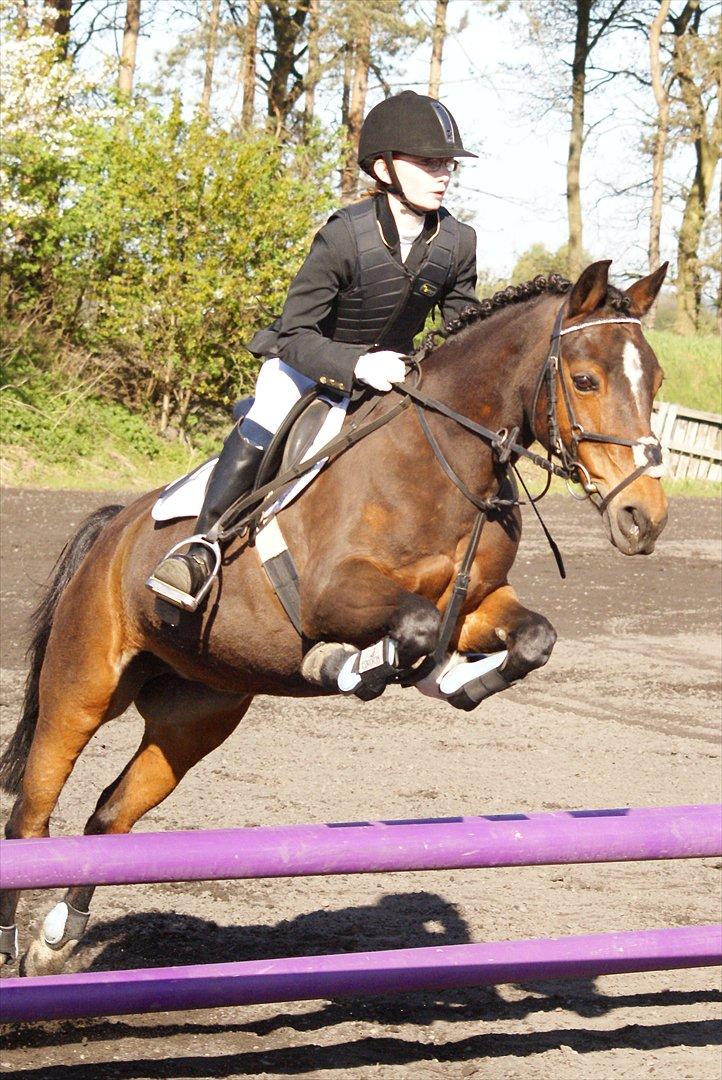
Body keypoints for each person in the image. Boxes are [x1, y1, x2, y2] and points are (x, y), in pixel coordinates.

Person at [148, 90, 479, 610]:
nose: (443, 174)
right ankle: (201, 547)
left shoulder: (458, 241)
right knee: (270, 414)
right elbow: (295, 333)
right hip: (308, 366)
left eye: (447, 164)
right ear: (385, 168)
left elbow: (464, 332)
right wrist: (355, 364)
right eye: (429, 162)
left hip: (392, 373)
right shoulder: (344, 236)